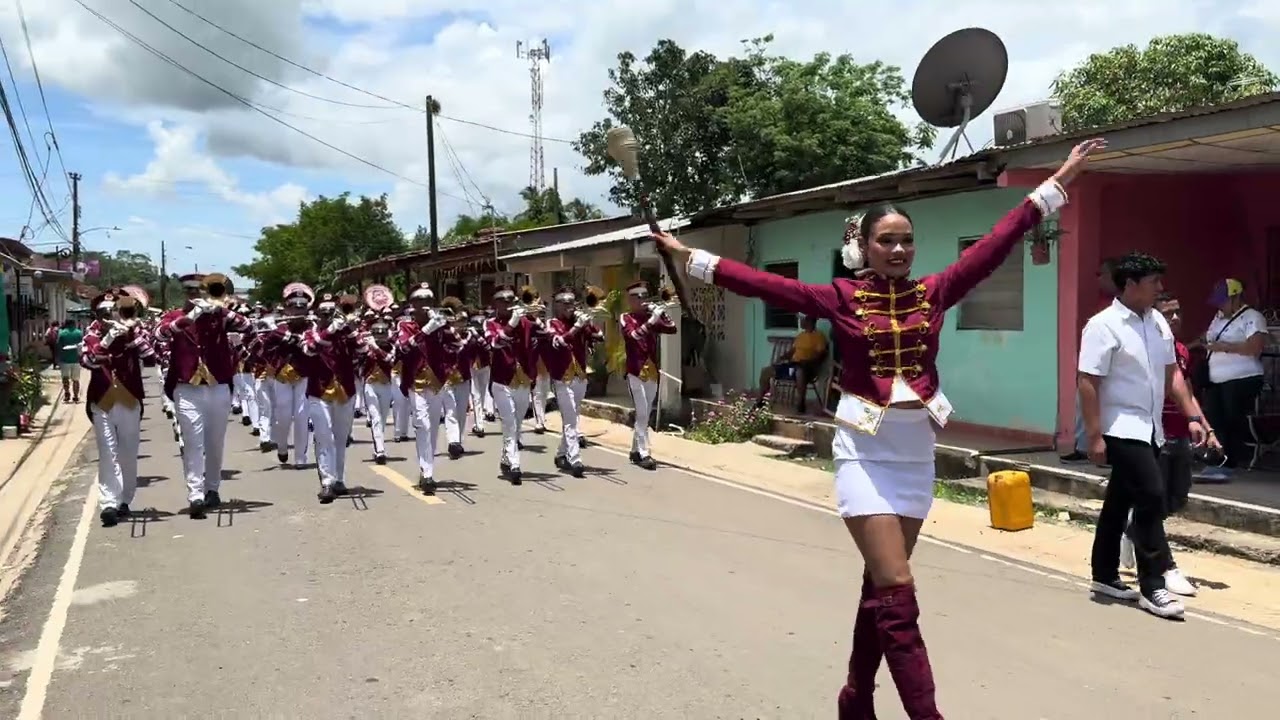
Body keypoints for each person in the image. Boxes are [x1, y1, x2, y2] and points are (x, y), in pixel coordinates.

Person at [651, 138, 1106, 719]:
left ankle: (856, 698)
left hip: (915, 452)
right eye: (885, 239)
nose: (898, 249)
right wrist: (691, 256)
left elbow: (995, 244)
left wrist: (1056, 184)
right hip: (864, 452)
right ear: (862, 246)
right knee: (898, 589)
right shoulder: (838, 297)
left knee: (880, 589)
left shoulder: (934, 292)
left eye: (906, 239)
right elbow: (763, 285)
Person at [1079, 253, 1220, 620]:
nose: (1160, 288)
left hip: (1151, 426)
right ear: (1130, 285)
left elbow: (1172, 374)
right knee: (1151, 496)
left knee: (1119, 500)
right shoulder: (1103, 326)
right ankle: (1153, 585)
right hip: (1119, 426)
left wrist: (1194, 416)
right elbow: (1088, 381)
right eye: (1153, 282)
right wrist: (1094, 436)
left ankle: (1104, 575)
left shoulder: (1157, 322)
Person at [1119, 292, 1203, 597]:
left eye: (1177, 313)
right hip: (1155, 434)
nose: (1175, 319)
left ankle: (1131, 530)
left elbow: (1187, 390)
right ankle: (1166, 568)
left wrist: (1203, 422)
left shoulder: (1180, 350)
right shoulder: (1142, 347)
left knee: (1177, 498)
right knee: (1154, 503)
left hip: (1180, 432)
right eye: (1168, 314)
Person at [157, 273, 251, 519]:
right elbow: (160, 335)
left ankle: (212, 489)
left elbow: (247, 326)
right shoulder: (175, 316)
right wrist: (190, 318)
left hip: (218, 385)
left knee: (215, 442)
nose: (195, 297)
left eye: (199, 292)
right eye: (190, 292)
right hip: (186, 387)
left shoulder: (219, 316)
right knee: (193, 441)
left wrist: (221, 311)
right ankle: (195, 494)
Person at [81, 292, 153, 527]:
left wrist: (131, 332)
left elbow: (150, 356)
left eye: (112, 311)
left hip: (129, 399)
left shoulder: (134, 332)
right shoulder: (91, 336)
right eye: (102, 313)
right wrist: (107, 339)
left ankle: (125, 499)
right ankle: (109, 503)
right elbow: (89, 361)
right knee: (108, 452)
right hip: (102, 401)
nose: (108, 317)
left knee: (128, 453)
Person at [1198, 278, 1268, 476]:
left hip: (1241, 379)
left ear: (1236, 297)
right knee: (1215, 419)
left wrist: (1225, 348)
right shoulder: (1218, 317)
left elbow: (1255, 347)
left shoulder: (1251, 317)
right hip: (1216, 380)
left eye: (1224, 300)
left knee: (1231, 419)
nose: (1220, 305)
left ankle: (1231, 460)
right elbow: (1208, 336)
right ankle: (1217, 457)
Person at [302, 293, 361, 503]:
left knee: (340, 437)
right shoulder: (310, 333)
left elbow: (362, 350)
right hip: (319, 391)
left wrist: (350, 329)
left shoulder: (345, 333)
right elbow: (309, 350)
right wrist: (331, 329)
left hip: (345, 390)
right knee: (323, 435)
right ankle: (327, 481)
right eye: (323, 312)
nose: (327, 316)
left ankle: (339, 479)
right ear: (317, 315)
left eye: (331, 312)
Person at [396, 283, 453, 494]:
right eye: (421, 300)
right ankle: (427, 472)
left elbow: (456, 346)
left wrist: (449, 328)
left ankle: (427, 468)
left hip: (437, 381)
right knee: (422, 424)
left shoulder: (440, 323)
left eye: (429, 300)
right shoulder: (404, 326)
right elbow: (403, 348)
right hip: (415, 382)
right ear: (413, 304)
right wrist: (427, 330)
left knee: (434, 428)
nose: (426, 305)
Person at [1061, 258, 1118, 463]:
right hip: (1094, 364)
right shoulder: (1104, 301)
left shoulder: (1121, 305)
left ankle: (1092, 449)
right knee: (1083, 403)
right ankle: (1085, 447)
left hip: (1111, 367)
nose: (1098, 279)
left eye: (1101, 274)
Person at [546, 286, 605, 477]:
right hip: (562, 378)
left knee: (572, 416)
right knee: (570, 419)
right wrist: (578, 326)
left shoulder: (580, 323)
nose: (570, 307)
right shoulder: (552, 323)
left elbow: (599, 337)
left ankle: (561, 454)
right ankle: (575, 458)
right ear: (557, 306)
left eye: (572, 302)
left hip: (580, 376)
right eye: (566, 303)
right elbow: (559, 343)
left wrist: (590, 322)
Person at [620, 281, 678, 471]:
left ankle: (635, 450)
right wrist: (652, 320)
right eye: (639, 298)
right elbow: (633, 336)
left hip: (652, 370)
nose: (643, 301)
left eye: (645, 297)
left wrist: (661, 313)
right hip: (635, 371)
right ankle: (645, 452)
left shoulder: (651, 317)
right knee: (642, 412)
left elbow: (672, 328)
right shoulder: (625, 317)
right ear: (631, 299)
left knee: (646, 412)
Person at [485, 285, 538, 484]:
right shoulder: (490, 323)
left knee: (517, 423)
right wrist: (512, 323)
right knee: (509, 422)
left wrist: (534, 317)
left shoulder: (525, 321)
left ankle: (507, 457)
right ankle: (515, 464)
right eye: (503, 301)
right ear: (496, 304)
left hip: (523, 378)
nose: (508, 304)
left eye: (511, 300)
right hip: (501, 380)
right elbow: (495, 343)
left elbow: (545, 334)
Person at [757, 314, 828, 412]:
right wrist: (782, 357)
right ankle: (761, 400)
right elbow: (792, 351)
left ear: (810, 322)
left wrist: (810, 362)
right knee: (766, 371)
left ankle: (801, 403)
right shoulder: (800, 336)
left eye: (803, 320)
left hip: (808, 368)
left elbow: (821, 354)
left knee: (799, 371)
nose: (801, 322)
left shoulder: (819, 336)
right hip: (793, 366)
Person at [55, 318, 83, 403]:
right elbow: (82, 345)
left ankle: (67, 394)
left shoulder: (62, 333)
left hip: (65, 360)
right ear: (74, 324)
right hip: (76, 359)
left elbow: (58, 346)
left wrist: (57, 358)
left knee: (65, 378)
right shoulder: (79, 333)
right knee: (76, 379)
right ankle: (75, 396)